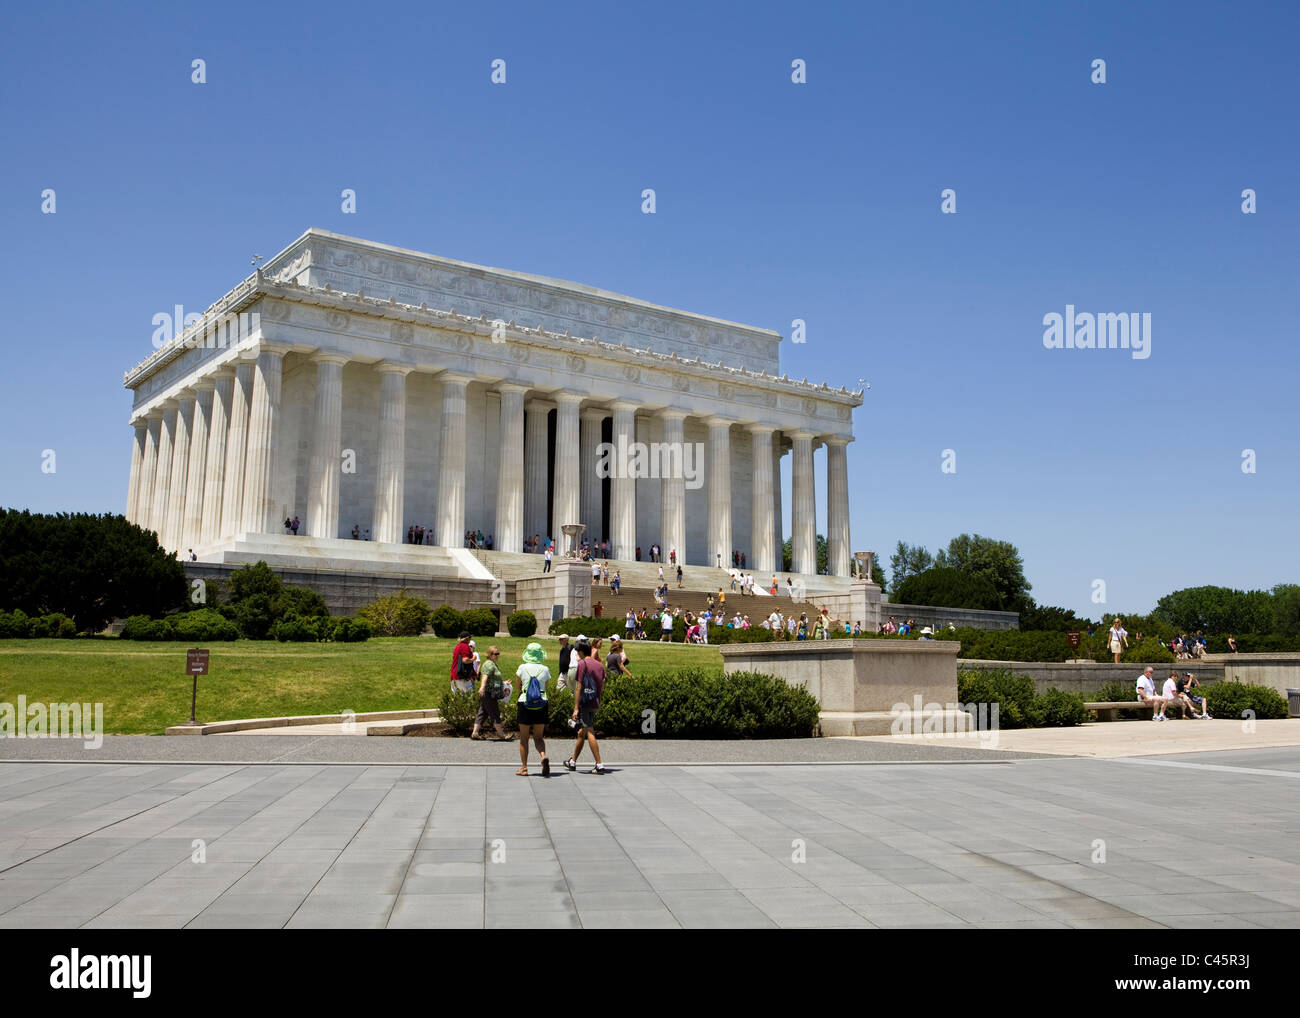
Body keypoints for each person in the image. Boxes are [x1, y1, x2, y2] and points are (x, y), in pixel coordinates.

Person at [565, 640, 606, 774]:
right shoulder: (599, 665)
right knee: (581, 732)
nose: (577, 654)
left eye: (578, 652)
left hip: (585, 702)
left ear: (582, 652)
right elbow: (602, 684)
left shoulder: (582, 664)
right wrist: (598, 698)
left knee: (589, 731)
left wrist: (576, 707)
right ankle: (573, 761)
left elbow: (579, 687)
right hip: (594, 701)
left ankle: (599, 764)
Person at [515, 643, 553, 776]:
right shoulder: (545, 669)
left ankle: (524, 768)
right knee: (538, 737)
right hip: (541, 704)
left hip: (525, 703)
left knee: (524, 738)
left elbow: (518, 686)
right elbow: (546, 686)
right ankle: (543, 757)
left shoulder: (522, 667)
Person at [471, 646, 513, 741]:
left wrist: (504, 683)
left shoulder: (493, 664)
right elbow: (485, 676)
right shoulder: (489, 664)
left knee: (483, 713)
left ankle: (475, 733)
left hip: (490, 692)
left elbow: (493, 679)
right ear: (490, 655)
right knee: (495, 713)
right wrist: (482, 687)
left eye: (498, 653)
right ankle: (502, 735)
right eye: (495, 654)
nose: (497, 656)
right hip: (488, 693)